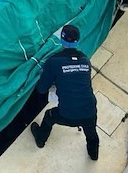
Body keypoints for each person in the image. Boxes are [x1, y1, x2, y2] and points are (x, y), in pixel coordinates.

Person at [30, 25, 99, 160]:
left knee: (49, 116)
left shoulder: (53, 61)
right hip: (90, 111)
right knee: (91, 133)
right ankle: (94, 154)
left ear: (61, 40)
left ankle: (40, 139)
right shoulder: (85, 60)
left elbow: (41, 89)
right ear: (78, 41)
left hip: (67, 113)